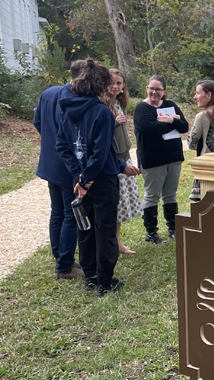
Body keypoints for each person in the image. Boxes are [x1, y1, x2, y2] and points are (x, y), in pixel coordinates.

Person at [56, 59, 140, 296]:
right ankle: (104, 280)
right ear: (100, 84)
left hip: (82, 180)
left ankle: (90, 276)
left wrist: (79, 176)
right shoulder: (102, 112)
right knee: (103, 229)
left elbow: (62, 146)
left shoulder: (68, 109)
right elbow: (101, 151)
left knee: (86, 227)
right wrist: (86, 178)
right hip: (100, 180)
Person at [33, 60, 86, 280]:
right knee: (69, 215)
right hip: (67, 165)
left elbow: (37, 122)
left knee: (57, 212)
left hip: (49, 162)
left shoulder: (48, 93)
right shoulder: (73, 99)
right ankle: (64, 266)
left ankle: (60, 257)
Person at [133, 75, 189, 243]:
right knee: (152, 195)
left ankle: (173, 228)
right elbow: (152, 128)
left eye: (158, 89)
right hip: (152, 159)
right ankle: (151, 232)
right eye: (151, 88)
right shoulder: (141, 109)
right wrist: (174, 123)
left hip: (173, 157)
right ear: (146, 88)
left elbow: (184, 126)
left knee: (170, 195)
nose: (154, 92)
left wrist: (170, 119)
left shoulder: (170, 106)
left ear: (164, 91)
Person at [103, 68, 142, 254]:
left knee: (120, 204)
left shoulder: (119, 103)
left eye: (119, 83)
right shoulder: (101, 105)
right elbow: (99, 134)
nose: (115, 87)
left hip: (124, 155)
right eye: (112, 83)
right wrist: (114, 122)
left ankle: (117, 243)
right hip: (113, 159)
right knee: (113, 203)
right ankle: (113, 243)